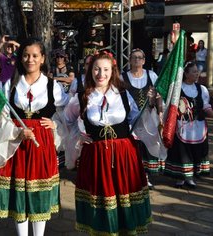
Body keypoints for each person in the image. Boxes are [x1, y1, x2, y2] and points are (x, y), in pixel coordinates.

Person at [64, 52, 151, 235]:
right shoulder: (82, 97)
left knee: (123, 198)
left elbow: (138, 120)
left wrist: (150, 107)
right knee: (100, 200)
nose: (100, 74)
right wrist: (78, 136)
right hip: (95, 156)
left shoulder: (124, 95)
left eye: (105, 69)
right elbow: (66, 120)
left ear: (113, 71)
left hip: (123, 155)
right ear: (90, 71)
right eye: (96, 69)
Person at [0, 38, 69, 236]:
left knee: (38, 192)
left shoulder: (53, 86)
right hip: (17, 142)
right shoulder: (11, 85)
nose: (30, 59)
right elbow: (2, 116)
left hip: (41, 143)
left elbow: (68, 113)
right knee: (19, 193)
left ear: (42, 59)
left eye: (34, 55)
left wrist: (55, 124)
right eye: (25, 55)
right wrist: (16, 131)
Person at [164, 62, 213, 188]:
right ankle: (181, 177)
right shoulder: (177, 88)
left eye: (197, 71)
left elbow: (205, 106)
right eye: (193, 71)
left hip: (198, 125)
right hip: (182, 125)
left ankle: (191, 176)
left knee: (195, 151)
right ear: (185, 74)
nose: (196, 74)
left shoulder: (201, 89)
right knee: (182, 152)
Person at [122, 48, 163, 190]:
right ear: (130, 60)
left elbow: (159, 97)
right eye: (134, 57)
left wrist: (160, 112)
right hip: (130, 120)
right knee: (133, 148)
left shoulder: (151, 75)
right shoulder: (122, 77)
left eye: (140, 57)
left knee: (146, 147)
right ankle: (133, 177)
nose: (137, 60)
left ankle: (146, 176)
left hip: (149, 118)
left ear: (144, 60)